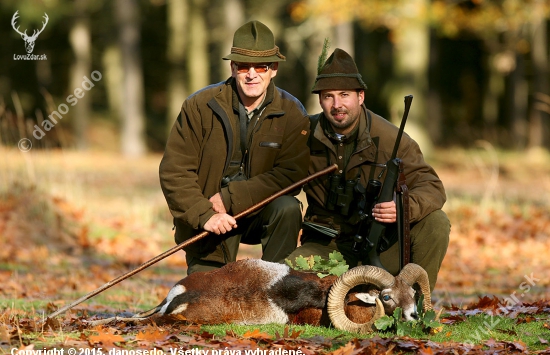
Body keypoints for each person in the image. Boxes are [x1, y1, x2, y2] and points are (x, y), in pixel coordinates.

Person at [287, 48, 450, 291]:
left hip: (381, 245)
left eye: (344, 95)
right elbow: (275, 177)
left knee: (436, 222)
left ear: (360, 96)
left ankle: (414, 304)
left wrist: (402, 209)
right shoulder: (302, 134)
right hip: (326, 245)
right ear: (320, 99)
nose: (337, 104)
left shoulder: (391, 139)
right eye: (328, 96)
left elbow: (432, 187)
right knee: (287, 282)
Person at [160, 21, 310, 275]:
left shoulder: (292, 112)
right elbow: (175, 172)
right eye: (243, 66)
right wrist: (205, 214)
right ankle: (209, 266)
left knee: (287, 207)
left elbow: (292, 174)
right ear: (232, 68)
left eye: (261, 66)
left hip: (261, 211)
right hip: (209, 220)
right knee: (206, 300)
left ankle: (275, 279)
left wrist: (231, 198)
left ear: (273, 69)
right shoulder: (199, 105)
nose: (251, 74)